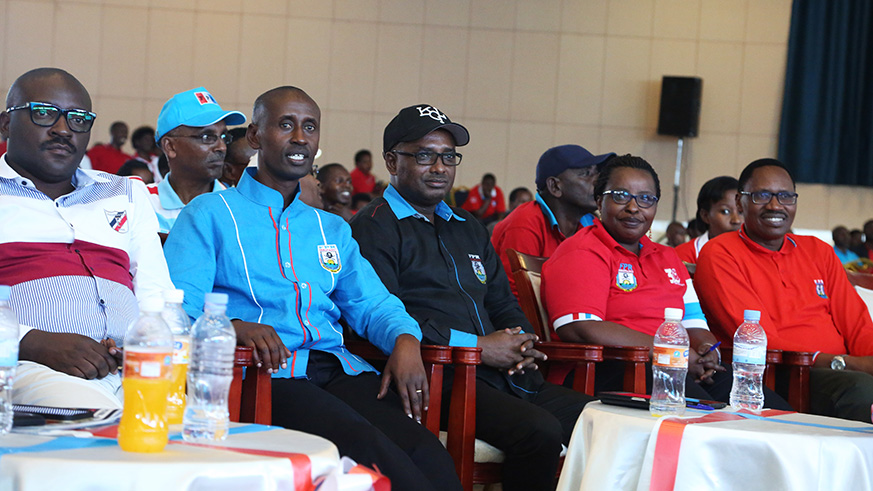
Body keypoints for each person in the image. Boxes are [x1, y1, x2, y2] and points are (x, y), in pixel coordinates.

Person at [164, 87, 460, 491]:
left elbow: (371, 303)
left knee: (432, 457)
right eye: (286, 125)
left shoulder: (330, 228)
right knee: (382, 459)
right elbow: (178, 308)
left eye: (310, 127)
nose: (300, 137)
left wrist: (406, 339)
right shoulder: (210, 214)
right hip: (268, 376)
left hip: (340, 371)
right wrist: (235, 326)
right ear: (254, 137)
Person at [350, 104, 594, 491]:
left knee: (597, 419)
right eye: (425, 156)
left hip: (504, 375)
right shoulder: (374, 227)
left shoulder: (467, 225)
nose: (440, 168)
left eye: (449, 157)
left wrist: (522, 341)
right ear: (392, 161)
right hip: (439, 377)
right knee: (539, 431)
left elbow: (501, 300)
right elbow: (389, 315)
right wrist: (480, 348)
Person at [540, 156, 791, 409]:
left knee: (772, 412)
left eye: (646, 199)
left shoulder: (668, 257)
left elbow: (694, 323)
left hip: (671, 365)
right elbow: (580, 327)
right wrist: (674, 353)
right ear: (599, 200)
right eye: (620, 196)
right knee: (708, 415)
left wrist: (706, 350)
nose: (633, 207)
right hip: (610, 369)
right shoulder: (582, 251)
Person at [0, 68, 172, 408]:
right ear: (6, 124)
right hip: (28, 366)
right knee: (111, 429)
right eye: (44, 113)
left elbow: (158, 294)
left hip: (132, 369)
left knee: (192, 436)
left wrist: (151, 351)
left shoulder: (125, 192)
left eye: (78, 119)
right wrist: (30, 342)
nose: (64, 129)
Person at [695, 158, 873, 422]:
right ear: (740, 202)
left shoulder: (818, 251)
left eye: (785, 196)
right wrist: (846, 363)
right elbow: (758, 339)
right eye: (762, 195)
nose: (775, 205)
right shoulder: (720, 253)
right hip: (779, 375)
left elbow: (857, 324)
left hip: (843, 369)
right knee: (861, 390)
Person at [491, 144, 614, 297]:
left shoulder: (590, 225)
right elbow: (517, 298)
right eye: (586, 173)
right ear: (555, 186)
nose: (597, 182)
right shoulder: (524, 224)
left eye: (597, 174)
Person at [146, 87, 245, 239]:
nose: (222, 147)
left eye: (223, 136)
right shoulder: (142, 204)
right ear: (170, 146)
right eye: (207, 137)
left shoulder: (239, 207)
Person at [675, 176, 742, 265]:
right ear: (705, 215)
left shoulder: (756, 254)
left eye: (741, 211)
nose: (736, 220)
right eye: (725, 211)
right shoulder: (682, 256)